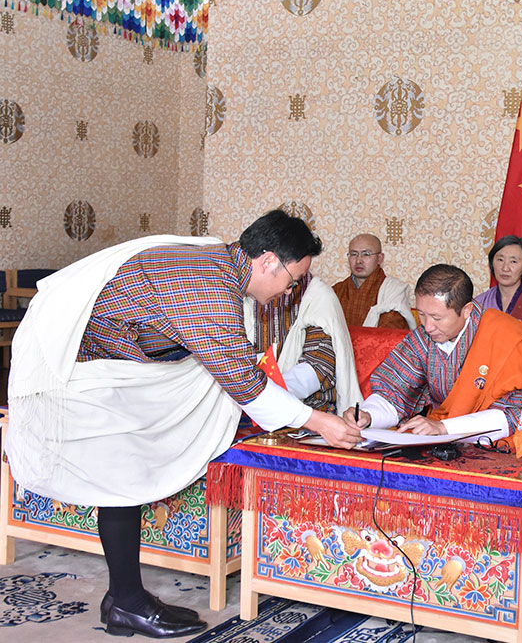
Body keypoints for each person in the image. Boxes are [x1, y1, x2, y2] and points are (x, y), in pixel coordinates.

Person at [6, 210, 363, 638]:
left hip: (110, 363)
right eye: (292, 279)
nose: (290, 290)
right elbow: (242, 380)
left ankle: (123, 598)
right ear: (268, 260)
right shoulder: (210, 285)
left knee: (122, 477)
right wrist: (320, 422)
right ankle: (127, 603)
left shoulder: (218, 265)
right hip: (78, 368)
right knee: (120, 479)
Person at [348, 264, 522, 455]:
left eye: (437, 318)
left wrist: (444, 428)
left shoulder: (506, 336)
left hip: (511, 445)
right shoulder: (424, 338)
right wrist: (368, 416)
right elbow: (395, 390)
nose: (427, 326)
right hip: (446, 442)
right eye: (421, 315)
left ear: (467, 311)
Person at [247, 271, 362, 413]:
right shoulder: (250, 293)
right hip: (252, 398)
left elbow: (318, 366)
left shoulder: (317, 296)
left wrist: (267, 392)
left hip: (310, 408)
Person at [474, 235, 522, 341]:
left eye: (513, 261)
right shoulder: (479, 303)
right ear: (492, 263)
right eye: (500, 260)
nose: (505, 268)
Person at [333, 233, 415, 329]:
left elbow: (389, 332)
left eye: (366, 254)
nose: (358, 261)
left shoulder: (394, 290)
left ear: (380, 258)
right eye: (354, 254)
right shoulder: (337, 290)